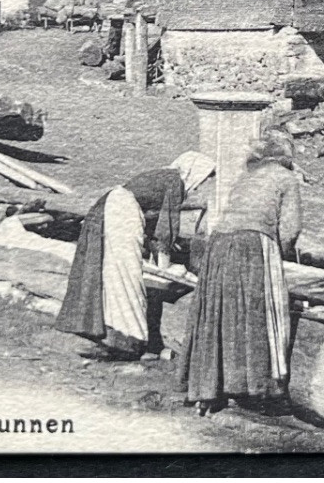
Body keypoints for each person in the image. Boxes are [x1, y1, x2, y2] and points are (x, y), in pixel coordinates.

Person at [179, 130, 302, 413]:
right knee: (262, 311)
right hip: (253, 244)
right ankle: (258, 387)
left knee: (219, 312)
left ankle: (209, 388)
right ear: (285, 156)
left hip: (219, 244)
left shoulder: (246, 177)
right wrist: (280, 254)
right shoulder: (286, 179)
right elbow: (290, 228)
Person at [55, 150, 216, 359]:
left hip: (111, 207)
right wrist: (165, 266)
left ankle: (112, 335)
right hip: (122, 213)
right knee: (127, 277)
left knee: (113, 274)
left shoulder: (164, 177)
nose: (201, 185)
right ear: (195, 171)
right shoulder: (175, 181)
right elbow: (165, 228)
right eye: (203, 179)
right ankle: (128, 340)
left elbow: (152, 219)